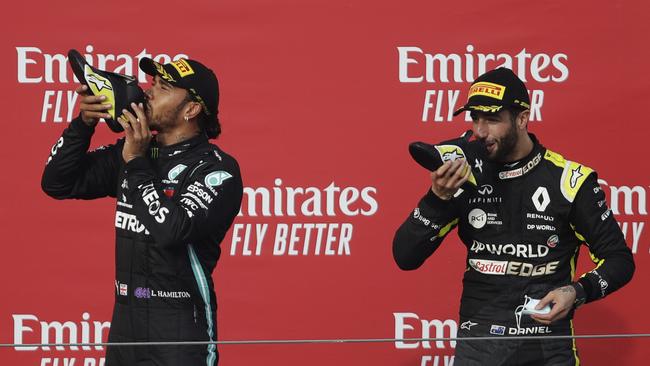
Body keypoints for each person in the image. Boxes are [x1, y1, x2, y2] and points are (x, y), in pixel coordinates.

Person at [393, 68, 634, 365]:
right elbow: (404, 256)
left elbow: (619, 260)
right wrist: (437, 198)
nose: (480, 131)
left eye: (492, 119)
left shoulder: (569, 181)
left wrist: (578, 291)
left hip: (548, 350)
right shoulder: (466, 173)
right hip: (478, 348)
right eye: (474, 119)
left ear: (521, 119)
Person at [42, 57, 243, 366]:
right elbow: (57, 182)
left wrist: (135, 164)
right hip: (126, 329)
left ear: (191, 109)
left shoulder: (216, 169)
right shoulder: (133, 150)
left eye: (163, 88)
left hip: (179, 333)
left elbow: (172, 230)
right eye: (152, 85)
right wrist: (84, 124)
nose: (149, 93)